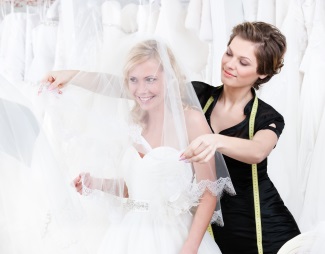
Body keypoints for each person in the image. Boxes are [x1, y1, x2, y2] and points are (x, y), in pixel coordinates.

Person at [42, 39, 235, 254]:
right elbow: (137, 188)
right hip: (129, 237)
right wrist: (96, 183)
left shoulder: (192, 121)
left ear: (169, 79)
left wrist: (190, 248)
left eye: (150, 79)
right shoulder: (135, 122)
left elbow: (208, 193)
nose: (141, 89)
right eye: (133, 80)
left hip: (176, 237)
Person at [181, 21, 301, 254]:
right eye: (229, 53)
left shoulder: (267, 117)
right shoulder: (197, 94)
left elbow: (257, 151)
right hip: (214, 229)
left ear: (263, 73)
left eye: (243, 62)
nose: (229, 64)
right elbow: (141, 89)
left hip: (264, 230)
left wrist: (215, 140)